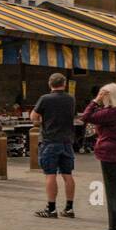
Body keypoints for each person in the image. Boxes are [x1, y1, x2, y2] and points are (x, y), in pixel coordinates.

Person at [81, 83, 116, 230]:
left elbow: (85, 117)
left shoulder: (111, 112)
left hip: (110, 153)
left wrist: (95, 101)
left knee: (114, 192)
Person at [31, 73, 76, 218]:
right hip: (67, 141)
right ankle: (69, 208)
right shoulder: (70, 99)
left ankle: (51, 208)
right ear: (64, 84)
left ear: (50, 84)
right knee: (67, 174)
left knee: (50, 174)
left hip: (50, 141)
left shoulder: (45, 98)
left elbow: (33, 117)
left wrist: (41, 121)